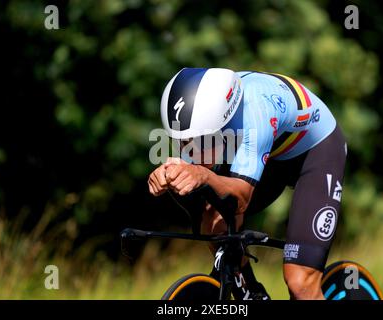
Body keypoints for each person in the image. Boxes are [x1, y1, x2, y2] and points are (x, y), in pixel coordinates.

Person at [147, 68, 347, 300]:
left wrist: (201, 175)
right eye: (180, 141)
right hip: (270, 152)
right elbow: (202, 195)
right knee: (214, 223)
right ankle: (252, 293)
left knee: (300, 282)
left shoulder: (255, 114)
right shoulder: (203, 120)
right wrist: (170, 176)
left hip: (315, 151)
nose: (188, 150)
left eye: (196, 141)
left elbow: (240, 199)